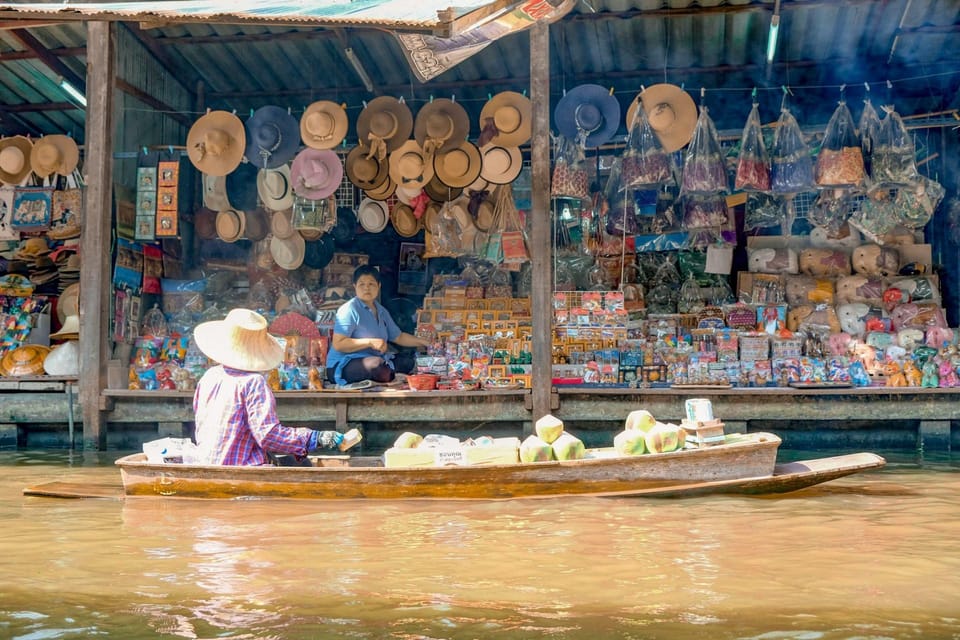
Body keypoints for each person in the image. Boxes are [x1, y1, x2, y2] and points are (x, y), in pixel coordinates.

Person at [192, 307, 351, 466]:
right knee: (304, 467)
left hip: (206, 463)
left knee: (293, 461)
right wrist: (314, 438)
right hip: (239, 469)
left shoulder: (209, 376)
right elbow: (268, 435)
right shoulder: (253, 382)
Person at [326, 264, 430, 386]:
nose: (366, 288)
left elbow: (399, 337)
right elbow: (338, 344)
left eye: (371, 284)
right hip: (343, 365)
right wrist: (370, 342)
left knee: (408, 362)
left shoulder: (381, 311)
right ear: (354, 286)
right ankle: (389, 374)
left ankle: (389, 374)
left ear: (379, 286)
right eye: (362, 284)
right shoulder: (349, 309)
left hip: (376, 359)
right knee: (377, 366)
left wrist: (425, 342)